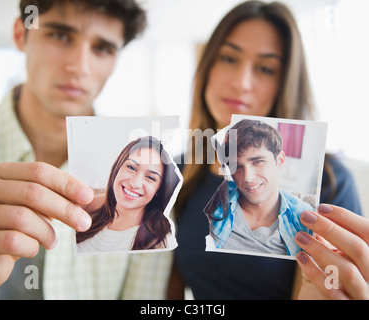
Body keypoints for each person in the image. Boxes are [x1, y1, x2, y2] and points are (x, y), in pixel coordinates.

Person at [168, 0, 366, 300]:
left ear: (285, 82)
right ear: (207, 64)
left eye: (265, 68)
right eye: (229, 59)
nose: (242, 82)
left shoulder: (329, 182)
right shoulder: (181, 169)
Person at [0, 0, 172, 300]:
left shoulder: (148, 183)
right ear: (20, 34)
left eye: (102, 48)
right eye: (60, 36)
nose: (80, 66)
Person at [204, 119, 313, 256]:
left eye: (258, 162)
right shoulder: (214, 201)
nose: (248, 178)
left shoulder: (305, 218)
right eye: (237, 166)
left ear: (279, 161)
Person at [76, 136, 179, 253]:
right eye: (131, 167)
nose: (135, 183)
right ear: (118, 167)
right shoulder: (91, 214)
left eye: (150, 177)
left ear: (158, 191)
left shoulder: (159, 242)